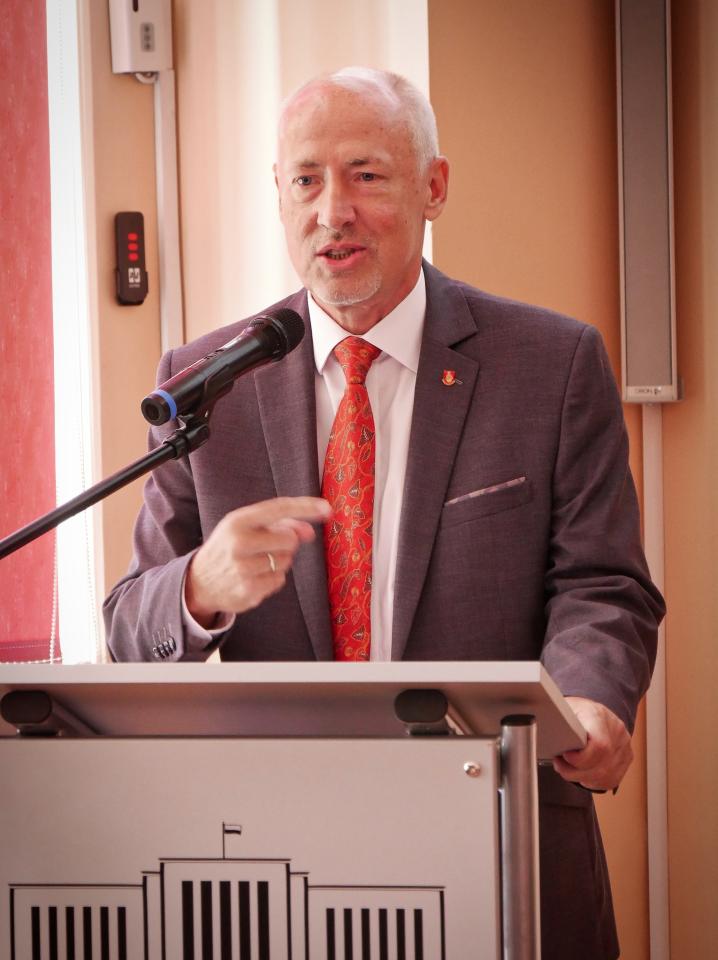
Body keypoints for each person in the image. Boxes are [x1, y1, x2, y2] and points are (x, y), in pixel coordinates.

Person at [105, 67, 664, 958]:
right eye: (306, 180)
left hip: (501, 837)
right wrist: (199, 588)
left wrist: (591, 698)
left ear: (433, 186)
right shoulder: (206, 383)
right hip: (271, 860)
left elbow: (602, 584)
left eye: (366, 175)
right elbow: (129, 627)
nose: (334, 211)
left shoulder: (551, 363)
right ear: (279, 196)